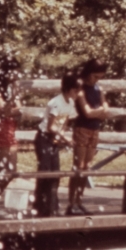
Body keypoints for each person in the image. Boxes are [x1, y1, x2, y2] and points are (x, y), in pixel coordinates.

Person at [34, 73, 80, 218]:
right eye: (75, 90)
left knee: (56, 173)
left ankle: (52, 205)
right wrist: (64, 138)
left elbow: (65, 122)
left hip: (54, 139)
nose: (78, 94)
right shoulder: (56, 102)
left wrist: (61, 136)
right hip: (44, 138)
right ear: (68, 89)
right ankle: (40, 205)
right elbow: (50, 127)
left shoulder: (71, 103)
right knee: (45, 172)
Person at [69, 58, 110, 216]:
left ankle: (79, 200)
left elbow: (106, 110)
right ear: (88, 73)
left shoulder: (98, 89)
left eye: (99, 77)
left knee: (87, 167)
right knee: (78, 166)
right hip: (82, 129)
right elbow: (87, 112)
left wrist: (99, 111)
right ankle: (72, 201)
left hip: (94, 130)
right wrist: (99, 111)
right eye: (94, 76)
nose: (96, 80)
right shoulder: (81, 89)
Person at [0, 55, 22, 210]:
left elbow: (17, 108)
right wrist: (13, 103)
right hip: (0, 128)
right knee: (0, 167)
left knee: (12, 170)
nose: (16, 75)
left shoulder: (12, 85)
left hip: (10, 126)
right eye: (13, 72)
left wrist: (12, 107)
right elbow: (3, 109)